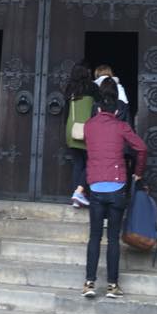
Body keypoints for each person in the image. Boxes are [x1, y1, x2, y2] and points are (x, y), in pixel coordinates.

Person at [81, 89, 147, 299]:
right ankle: (112, 285)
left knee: (94, 237)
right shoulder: (121, 126)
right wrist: (138, 173)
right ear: (117, 111)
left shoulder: (89, 126)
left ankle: (89, 283)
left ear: (99, 109)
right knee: (112, 238)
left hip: (95, 186)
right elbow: (142, 148)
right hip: (117, 187)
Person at [64, 62, 98, 208]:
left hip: (72, 128)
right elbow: (98, 107)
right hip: (87, 129)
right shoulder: (92, 87)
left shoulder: (69, 88)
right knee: (91, 161)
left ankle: (76, 196)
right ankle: (79, 192)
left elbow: (66, 112)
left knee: (78, 163)